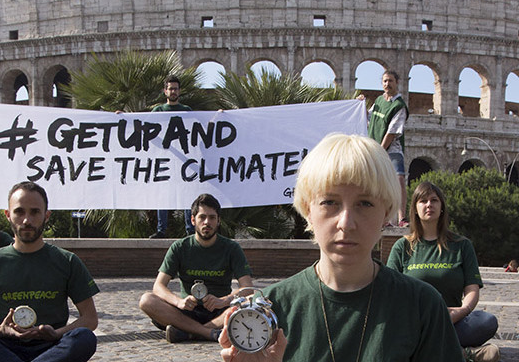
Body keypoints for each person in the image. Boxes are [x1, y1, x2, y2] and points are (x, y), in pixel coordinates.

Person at [217, 133, 463, 362]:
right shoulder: (270, 309)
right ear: (307, 209)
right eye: (330, 202)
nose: (346, 223)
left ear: (386, 212)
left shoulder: (423, 306)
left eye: (365, 203)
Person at [0, 181, 99, 362]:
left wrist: (56, 334)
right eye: (19, 212)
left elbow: (90, 319)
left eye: (35, 212)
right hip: (5, 347)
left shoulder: (67, 261)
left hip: (52, 347)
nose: (26, 221)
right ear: (8, 215)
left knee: (84, 338)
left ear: (46, 216)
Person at [387, 181, 500, 362]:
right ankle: (465, 354)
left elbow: (472, 289)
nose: (429, 205)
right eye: (423, 201)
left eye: (434, 200)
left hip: (453, 321)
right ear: (415, 208)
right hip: (414, 321)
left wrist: (462, 311)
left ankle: (422, 351)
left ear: (442, 208)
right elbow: (390, 290)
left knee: (486, 322)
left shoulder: (462, 245)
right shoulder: (403, 246)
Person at [139, 193, 253, 344]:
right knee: (146, 300)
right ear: (193, 220)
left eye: (212, 217)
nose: (207, 222)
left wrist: (223, 301)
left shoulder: (232, 248)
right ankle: (207, 333)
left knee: (250, 301)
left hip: (219, 313)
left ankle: (189, 332)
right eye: (202, 217)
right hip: (187, 313)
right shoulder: (179, 247)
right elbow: (158, 286)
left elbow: (248, 288)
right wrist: (179, 302)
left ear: (218, 221)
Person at [149, 75, 196, 238]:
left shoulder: (187, 110)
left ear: (179, 91)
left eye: (175, 88)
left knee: (186, 193)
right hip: (164, 157)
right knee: (163, 193)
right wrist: (123, 118)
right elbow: (144, 125)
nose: (173, 91)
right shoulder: (158, 111)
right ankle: (161, 230)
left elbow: (199, 127)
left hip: (184, 158)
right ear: (165, 91)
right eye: (170, 88)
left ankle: (190, 229)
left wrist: (219, 116)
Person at [366, 70, 409, 227]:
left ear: (397, 83)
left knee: (398, 180)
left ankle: (401, 218)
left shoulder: (400, 106)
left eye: (390, 81)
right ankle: (385, 218)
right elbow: (369, 117)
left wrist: (380, 151)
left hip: (392, 150)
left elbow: (392, 132)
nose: (387, 84)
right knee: (379, 184)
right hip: (376, 147)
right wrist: (359, 105)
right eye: (384, 81)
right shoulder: (378, 100)